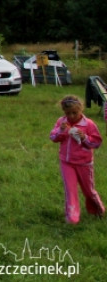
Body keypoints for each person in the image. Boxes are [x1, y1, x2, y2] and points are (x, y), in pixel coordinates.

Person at [50, 95, 104, 224]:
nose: (72, 116)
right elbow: (53, 137)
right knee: (70, 189)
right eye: (68, 113)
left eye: (75, 113)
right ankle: (72, 217)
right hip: (66, 162)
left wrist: (85, 137)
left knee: (88, 190)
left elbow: (96, 143)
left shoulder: (88, 124)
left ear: (81, 110)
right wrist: (61, 131)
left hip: (84, 163)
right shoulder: (61, 122)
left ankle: (97, 209)